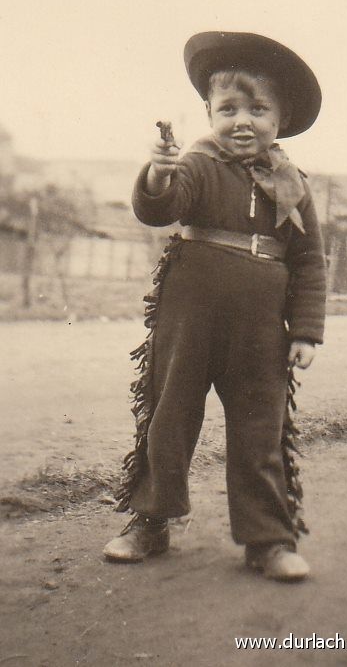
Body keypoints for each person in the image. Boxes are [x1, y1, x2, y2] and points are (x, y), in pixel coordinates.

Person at [103, 32, 326, 581]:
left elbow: (310, 261)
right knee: (169, 416)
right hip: (190, 316)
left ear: (281, 118)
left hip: (260, 329)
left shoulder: (291, 185)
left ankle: (268, 539)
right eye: (227, 109)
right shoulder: (198, 165)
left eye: (258, 109)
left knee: (260, 428)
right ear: (208, 113)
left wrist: (305, 332)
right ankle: (151, 521)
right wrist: (159, 172)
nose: (242, 121)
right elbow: (161, 207)